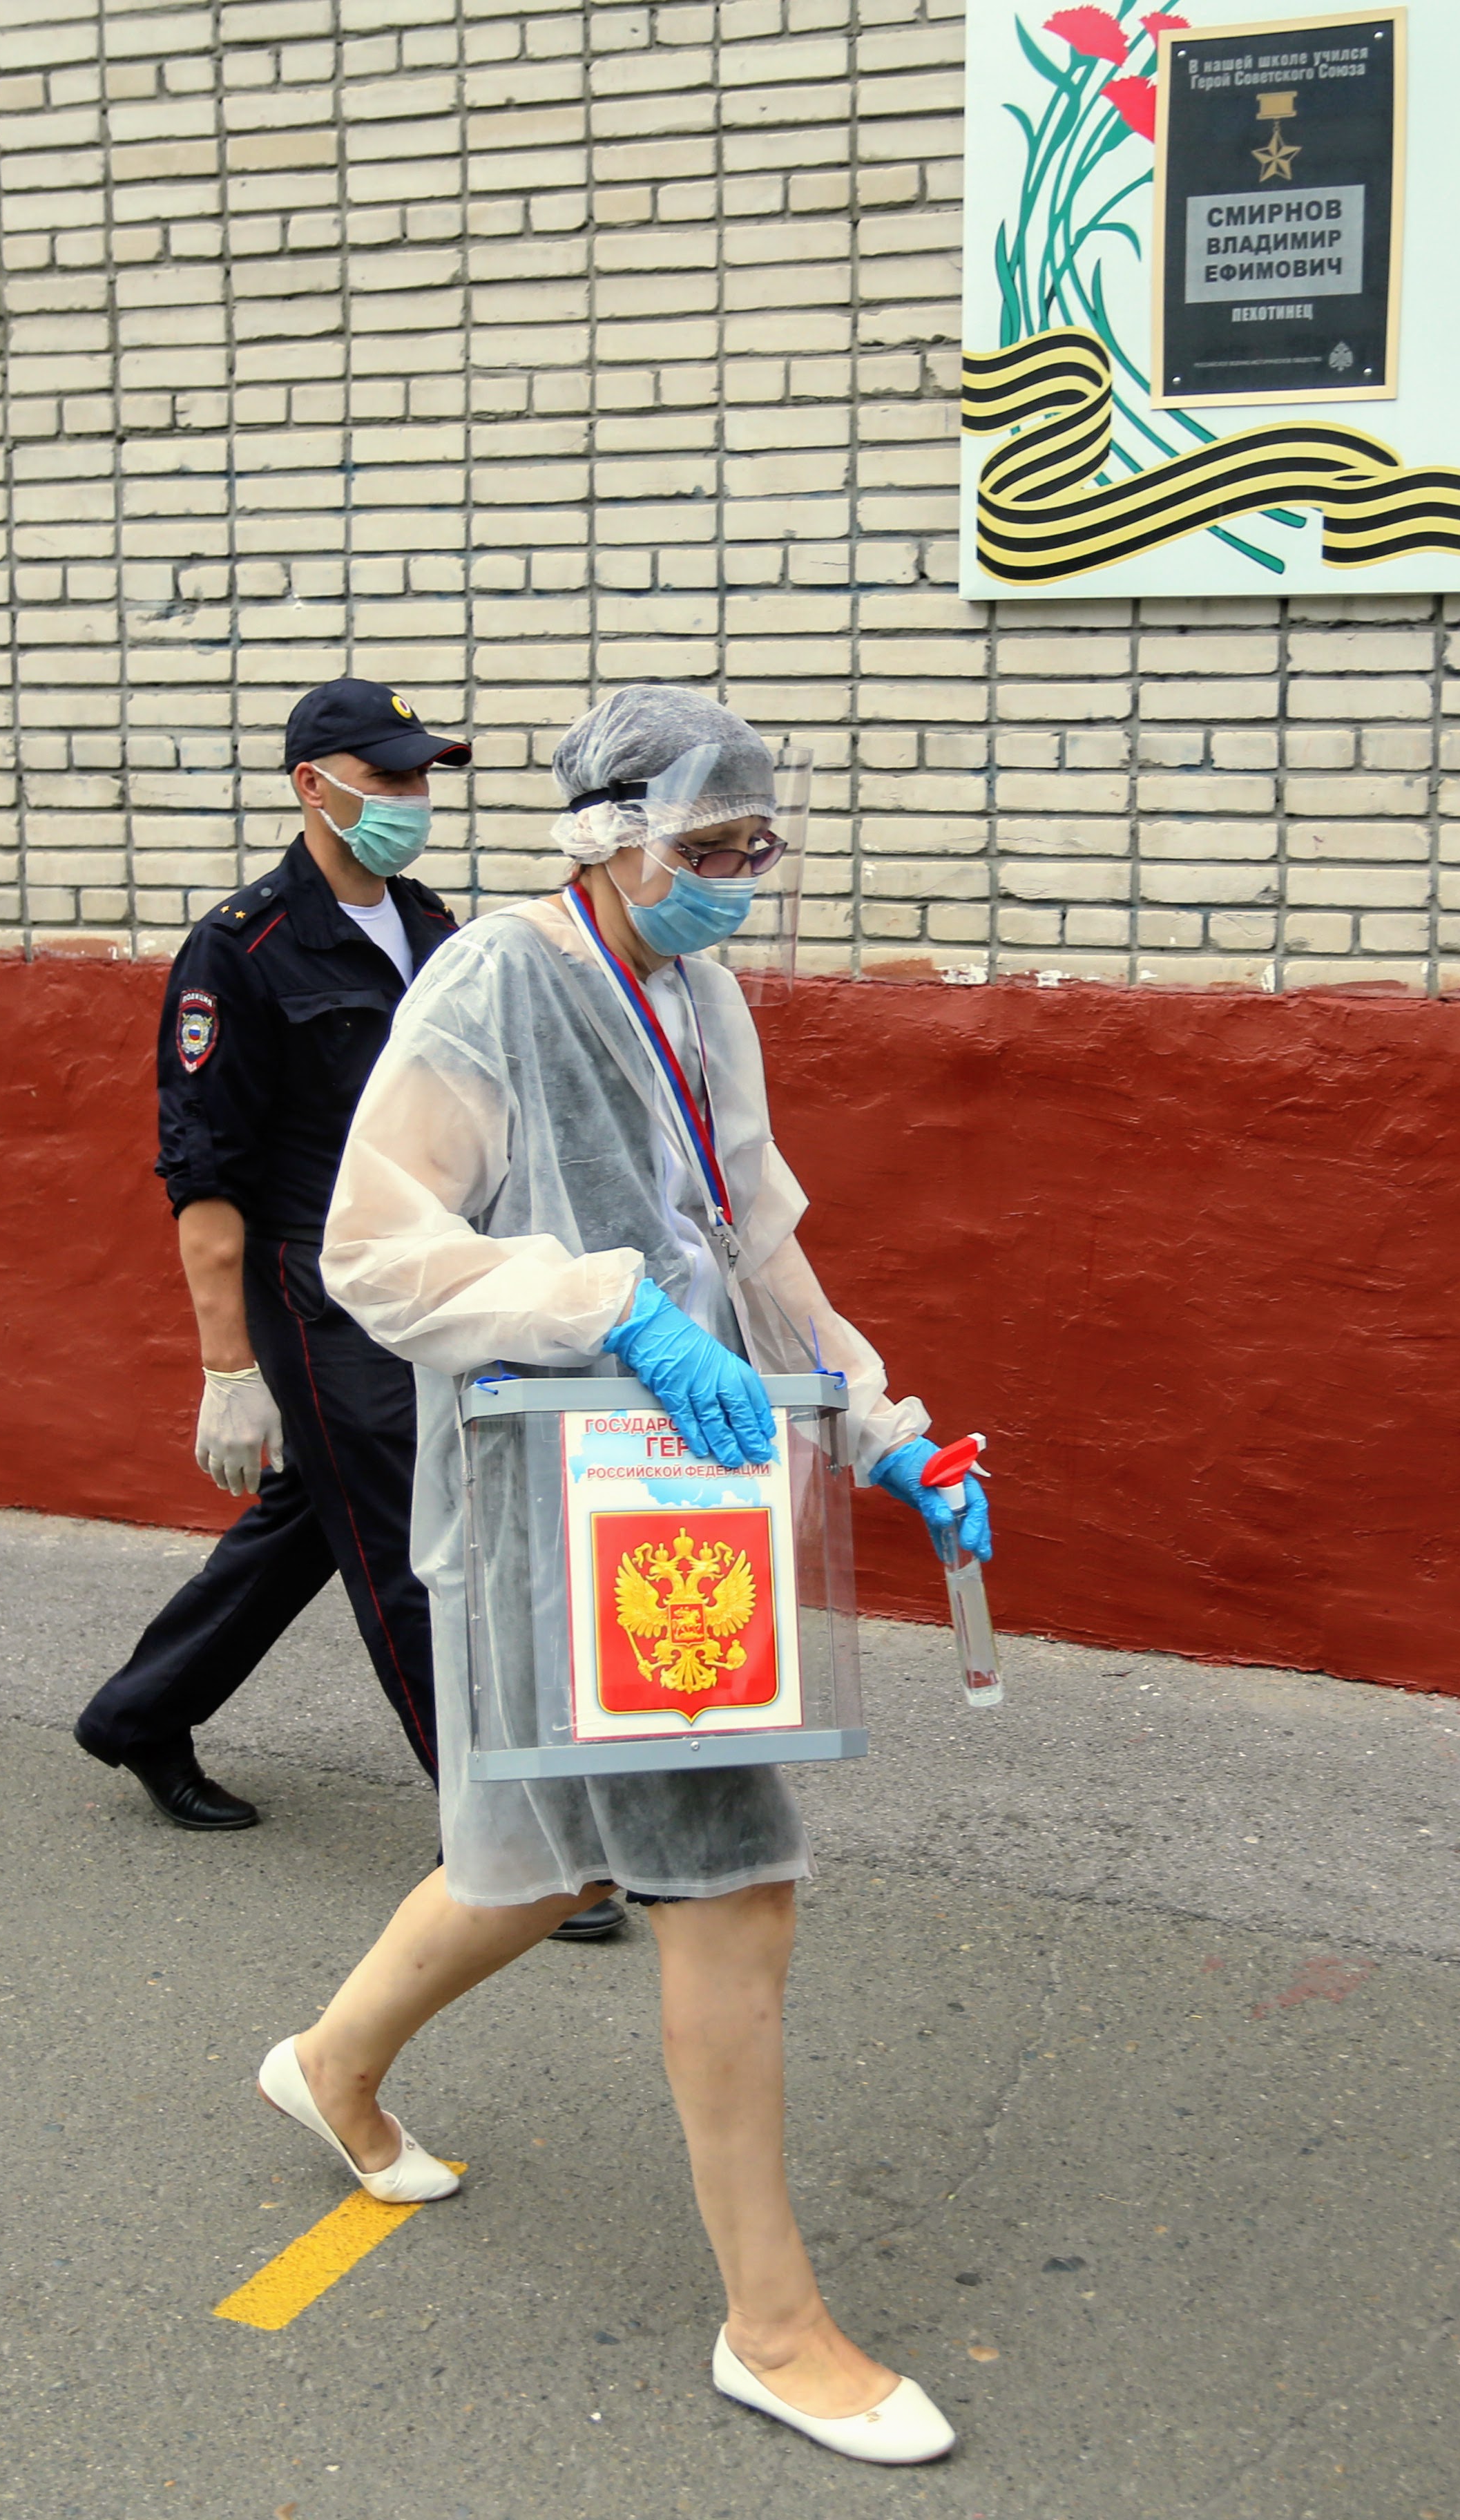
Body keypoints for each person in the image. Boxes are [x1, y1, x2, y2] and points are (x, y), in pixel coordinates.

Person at [261, 687, 992, 2466]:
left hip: (678, 1498)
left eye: (759, 845)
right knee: (733, 1881)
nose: (741, 876)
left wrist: (880, 1427)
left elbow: (758, 1242)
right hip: (558, 1505)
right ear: (610, 839)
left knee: (541, 1852)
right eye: (711, 846)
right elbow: (377, 1251)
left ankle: (330, 2063)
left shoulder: (700, 995)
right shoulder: (493, 984)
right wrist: (608, 1308)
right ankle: (774, 2326)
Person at [75, 680, 634, 1926]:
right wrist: (229, 1368)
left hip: (428, 1271)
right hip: (313, 1281)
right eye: (387, 778)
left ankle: (140, 1715)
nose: (411, 799)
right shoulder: (243, 947)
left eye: (421, 776)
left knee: (316, 1515)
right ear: (312, 786)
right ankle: (512, 1839)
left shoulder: (432, 925)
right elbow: (203, 1177)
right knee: (412, 1544)